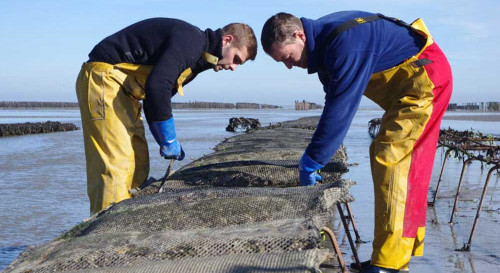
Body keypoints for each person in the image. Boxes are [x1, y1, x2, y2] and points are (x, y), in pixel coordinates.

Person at [261, 11, 452, 273]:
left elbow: (341, 108)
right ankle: (385, 256)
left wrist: (313, 160)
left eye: (287, 57)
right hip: (407, 91)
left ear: (299, 35)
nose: (289, 66)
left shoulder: (343, 42)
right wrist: (316, 156)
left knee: (391, 158)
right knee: (382, 152)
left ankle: (390, 265)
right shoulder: (326, 45)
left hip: (426, 81)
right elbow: (333, 103)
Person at [76, 18, 257, 215]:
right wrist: (169, 138)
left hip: (125, 92)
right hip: (104, 78)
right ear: (226, 40)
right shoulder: (192, 41)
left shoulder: (198, 60)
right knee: (116, 162)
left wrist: (164, 141)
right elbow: (157, 86)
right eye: (237, 59)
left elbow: (154, 101)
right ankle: (105, 232)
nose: (233, 67)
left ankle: (128, 216)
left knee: (138, 159)